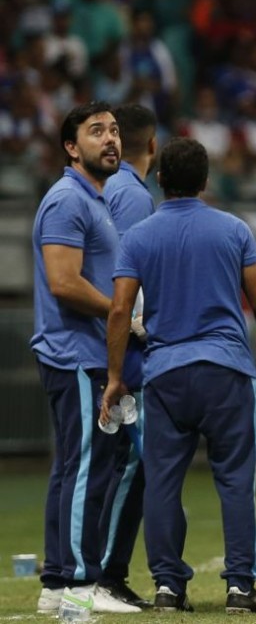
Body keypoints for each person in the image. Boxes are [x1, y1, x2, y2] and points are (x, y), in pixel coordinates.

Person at [101, 136, 256, 614]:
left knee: (163, 481)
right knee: (235, 481)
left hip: (166, 374)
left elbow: (121, 309)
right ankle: (240, 589)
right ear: (207, 180)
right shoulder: (233, 229)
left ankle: (168, 587)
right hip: (225, 370)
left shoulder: (139, 236)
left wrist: (114, 376)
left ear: (160, 178)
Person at [31, 101, 142, 617]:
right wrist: (124, 313)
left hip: (88, 352)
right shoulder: (66, 200)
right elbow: (63, 282)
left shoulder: (94, 199)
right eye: (96, 131)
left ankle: (57, 584)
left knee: (78, 467)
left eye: (115, 130)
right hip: (74, 354)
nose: (111, 139)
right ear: (72, 148)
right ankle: (74, 581)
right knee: (83, 470)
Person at [95, 102, 159, 609]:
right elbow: (128, 280)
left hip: (100, 336)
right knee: (133, 461)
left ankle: (85, 570)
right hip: (124, 343)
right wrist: (138, 327)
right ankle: (107, 574)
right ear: (153, 146)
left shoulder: (105, 187)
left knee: (107, 461)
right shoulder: (133, 196)